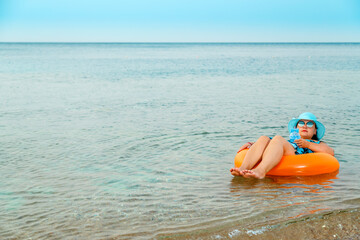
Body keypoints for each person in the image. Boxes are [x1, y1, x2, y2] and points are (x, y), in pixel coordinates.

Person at [230, 112, 334, 179]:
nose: (305, 126)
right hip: (285, 149)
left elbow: (330, 152)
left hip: (296, 156)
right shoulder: (290, 140)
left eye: (310, 124)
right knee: (264, 138)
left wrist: (307, 144)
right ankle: (242, 168)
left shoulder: (316, 143)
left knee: (278, 138)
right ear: (296, 127)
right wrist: (251, 145)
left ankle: (260, 170)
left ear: (315, 131)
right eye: (301, 123)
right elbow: (271, 144)